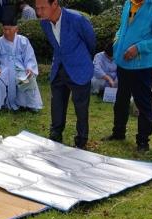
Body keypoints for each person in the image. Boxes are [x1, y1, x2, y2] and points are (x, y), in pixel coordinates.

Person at [102, 0, 152, 152]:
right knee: (121, 100)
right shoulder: (129, 3)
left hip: (142, 66)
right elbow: (123, 28)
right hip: (122, 63)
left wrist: (139, 48)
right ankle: (118, 133)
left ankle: (143, 142)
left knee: (143, 104)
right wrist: (116, 42)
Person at [36, 0, 96, 149]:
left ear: (55, 4)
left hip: (79, 68)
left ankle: (81, 141)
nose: (39, 12)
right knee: (56, 103)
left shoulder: (77, 19)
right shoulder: (44, 23)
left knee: (81, 108)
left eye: (43, 8)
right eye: (37, 8)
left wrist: (83, 60)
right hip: (59, 68)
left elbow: (91, 42)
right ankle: (55, 135)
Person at [0, 6, 43, 112]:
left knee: (27, 79)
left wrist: (29, 68)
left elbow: (29, 57)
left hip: (19, 69)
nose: (6, 32)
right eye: (4, 29)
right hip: (4, 70)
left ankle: (27, 104)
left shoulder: (23, 41)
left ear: (16, 29)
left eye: (9, 29)